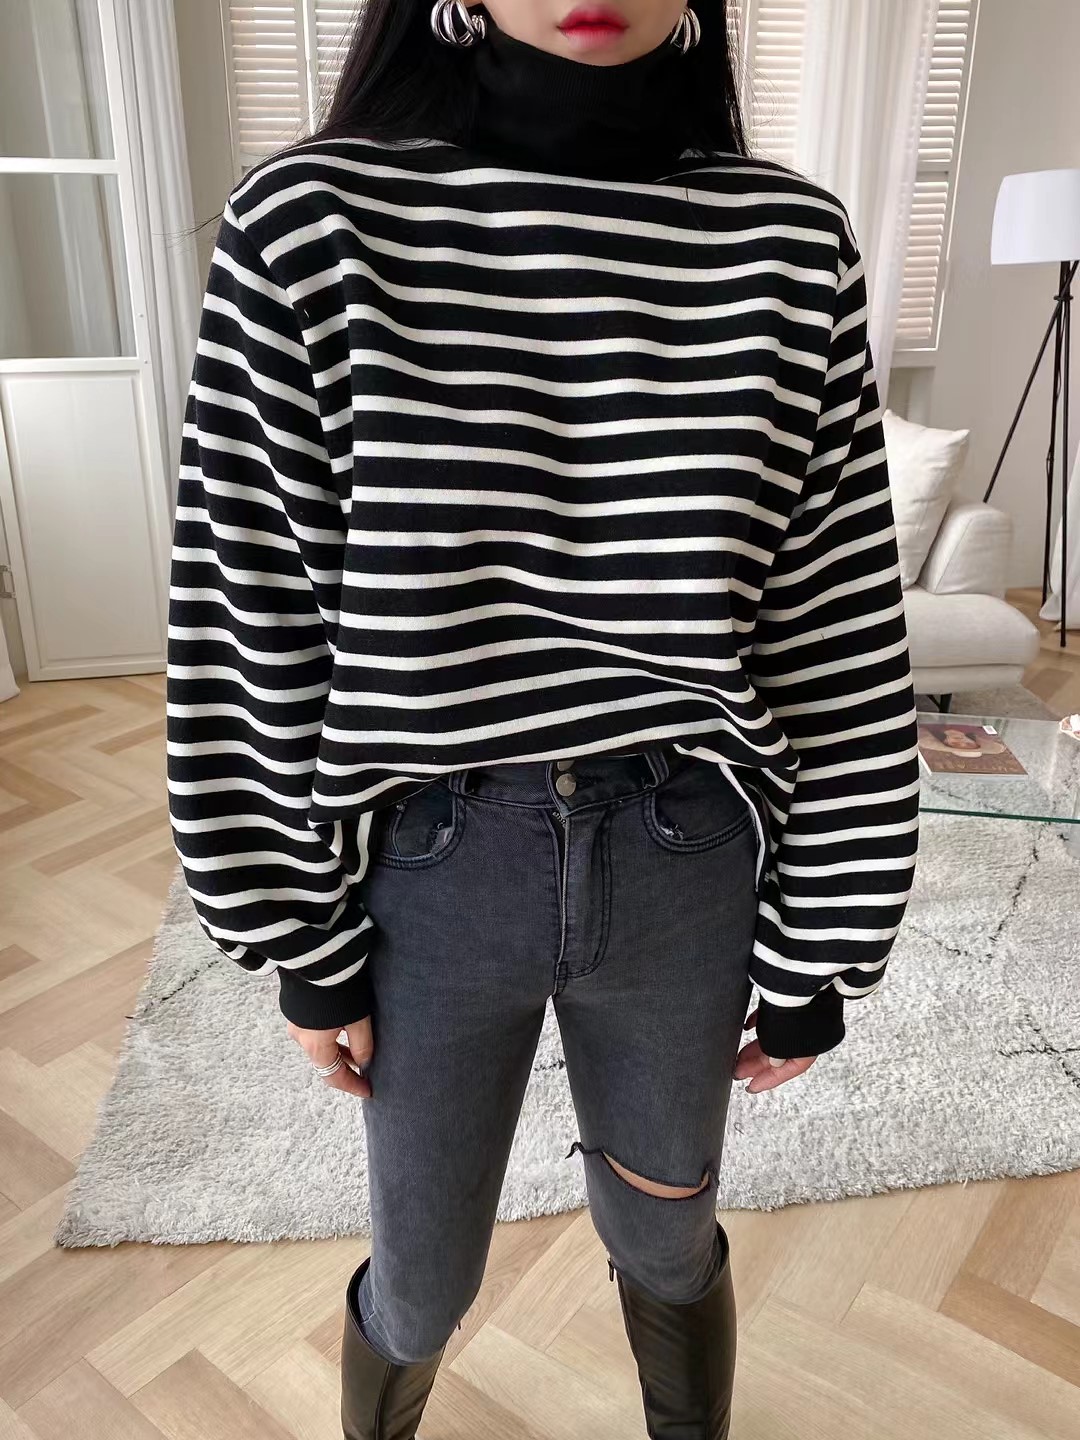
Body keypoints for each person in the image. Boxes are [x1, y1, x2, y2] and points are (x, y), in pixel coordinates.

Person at [166, 2, 922, 1435]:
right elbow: (248, 613)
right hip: (435, 865)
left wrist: (823, 942)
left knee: (667, 1239)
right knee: (423, 1282)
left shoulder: (786, 243)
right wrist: (299, 940)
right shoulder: (312, 225)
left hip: (686, 852)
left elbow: (832, 626)